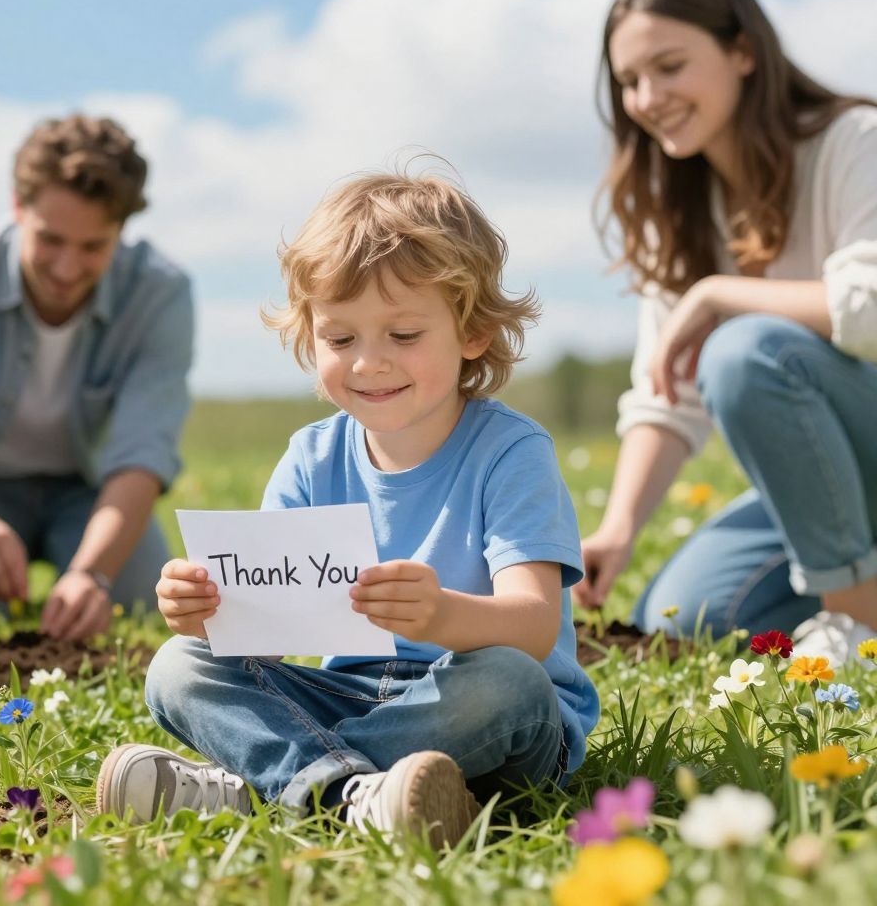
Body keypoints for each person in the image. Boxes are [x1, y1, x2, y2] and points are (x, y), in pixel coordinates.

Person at [96, 172, 598, 847]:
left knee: (505, 680)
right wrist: (212, 613)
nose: (368, 363)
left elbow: (535, 628)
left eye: (404, 333)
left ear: (473, 331)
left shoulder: (511, 452)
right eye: (340, 340)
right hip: (352, 697)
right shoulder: (311, 458)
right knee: (177, 666)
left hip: (487, 711)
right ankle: (353, 795)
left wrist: (445, 614)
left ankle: (262, 787)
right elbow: (268, 630)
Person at [574, 0, 877, 666]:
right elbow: (665, 392)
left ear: (743, 51)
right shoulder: (680, 210)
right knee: (680, 617)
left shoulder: (853, 142)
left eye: (669, 66)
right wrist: (617, 528)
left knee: (745, 351)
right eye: (628, 82)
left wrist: (719, 293)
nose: (647, 97)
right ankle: (855, 577)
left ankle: (857, 625)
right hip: (835, 487)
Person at [0, 114, 193, 641]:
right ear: (17, 207)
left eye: (93, 247)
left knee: (140, 619)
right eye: (50, 240)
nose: (67, 268)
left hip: (93, 491)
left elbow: (144, 452)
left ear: (122, 230)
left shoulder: (161, 292)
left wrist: (93, 572)